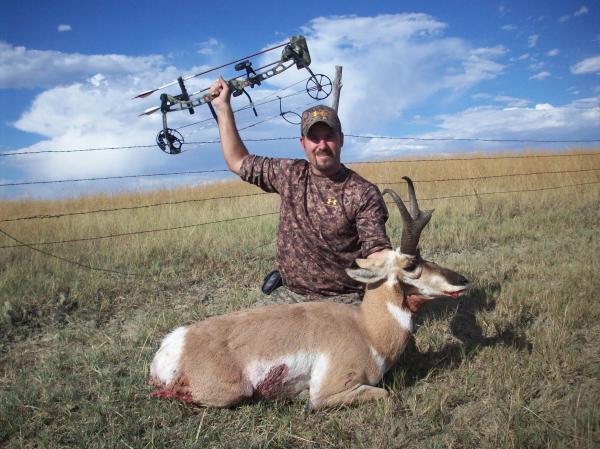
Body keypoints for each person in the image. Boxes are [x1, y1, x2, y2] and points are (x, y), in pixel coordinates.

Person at [209, 77, 392, 303]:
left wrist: (393, 266)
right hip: (291, 296)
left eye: (329, 137)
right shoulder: (289, 174)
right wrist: (223, 108)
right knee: (244, 333)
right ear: (302, 143)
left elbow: (376, 250)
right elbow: (237, 161)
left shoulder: (362, 192)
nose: (322, 145)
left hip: (342, 300)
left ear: (341, 139)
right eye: (314, 138)